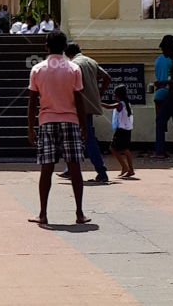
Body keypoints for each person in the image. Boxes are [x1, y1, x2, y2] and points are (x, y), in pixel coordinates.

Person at [27, 29, 90, 226]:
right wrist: (84, 125)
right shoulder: (73, 69)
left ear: (46, 46)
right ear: (64, 47)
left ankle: (43, 213)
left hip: (46, 121)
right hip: (70, 121)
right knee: (75, 167)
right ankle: (79, 213)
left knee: (46, 168)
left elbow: (32, 102)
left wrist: (30, 127)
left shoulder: (37, 69)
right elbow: (79, 100)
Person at [65, 41, 110, 184]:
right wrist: (98, 94)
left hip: (79, 105)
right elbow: (107, 77)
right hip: (90, 103)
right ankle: (70, 169)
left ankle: (101, 171)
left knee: (86, 137)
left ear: (67, 54)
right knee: (81, 136)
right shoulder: (90, 61)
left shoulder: (73, 65)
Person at [103, 85, 135, 178]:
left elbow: (108, 106)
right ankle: (130, 169)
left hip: (121, 130)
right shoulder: (127, 103)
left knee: (113, 148)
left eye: (114, 94)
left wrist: (98, 103)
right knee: (126, 150)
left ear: (118, 95)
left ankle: (125, 167)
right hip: (127, 129)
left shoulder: (120, 104)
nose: (113, 95)